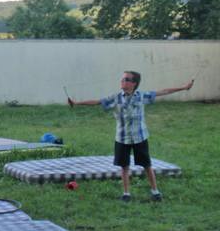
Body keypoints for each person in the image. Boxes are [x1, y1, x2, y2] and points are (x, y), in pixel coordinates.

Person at [68, 71, 194, 202]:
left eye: (126, 79)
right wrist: (76, 103)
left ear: (134, 83)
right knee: (124, 166)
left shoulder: (142, 96)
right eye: (122, 79)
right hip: (122, 138)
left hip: (140, 137)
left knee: (147, 165)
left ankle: (155, 192)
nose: (122, 81)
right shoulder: (116, 98)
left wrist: (184, 87)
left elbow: (164, 91)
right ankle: (126, 194)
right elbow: (97, 102)